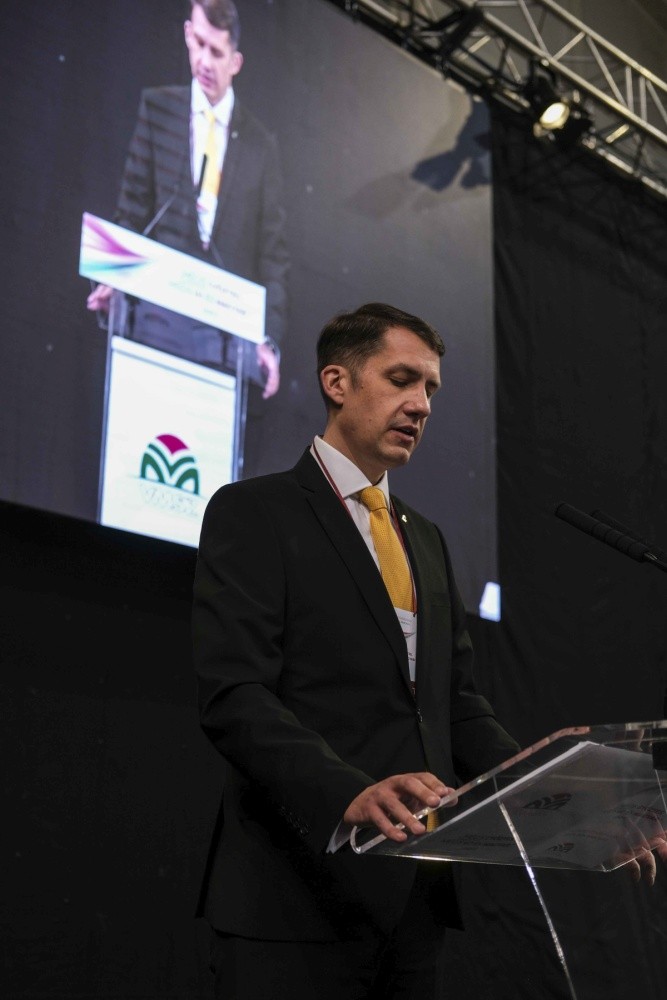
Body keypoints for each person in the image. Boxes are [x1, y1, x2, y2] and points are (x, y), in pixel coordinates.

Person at [192, 302, 521, 998]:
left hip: (413, 902)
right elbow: (235, 696)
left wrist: (556, 795)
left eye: (430, 388)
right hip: (292, 896)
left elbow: (455, 704)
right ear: (337, 382)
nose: (420, 404)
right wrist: (346, 792)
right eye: (401, 379)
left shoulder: (424, 538)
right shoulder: (254, 511)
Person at [87, 0, 289, 402]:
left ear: (235, 61)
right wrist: (112, 279)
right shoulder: (159, 110)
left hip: (221, 343)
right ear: (186, 35)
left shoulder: (261, 146)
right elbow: (132, 211)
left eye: (216, 52)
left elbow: (273, 255)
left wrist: (267, 338)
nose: (204, 61)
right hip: (153, 323)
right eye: (198, 43)